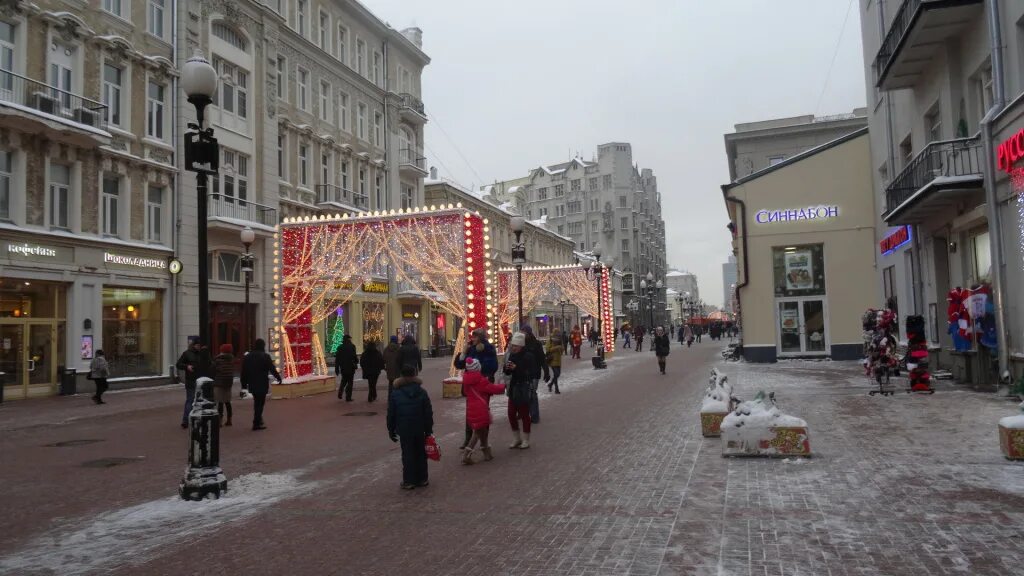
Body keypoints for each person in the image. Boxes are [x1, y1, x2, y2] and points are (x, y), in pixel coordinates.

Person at [387, 364, 434, 489]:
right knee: (420, 453)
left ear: (401, 375)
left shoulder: (395, 393)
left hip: (404, 428)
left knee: (407, 453)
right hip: (420, 428)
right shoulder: (422, 392)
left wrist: (391, 430)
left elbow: (391, 413)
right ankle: (422, 479)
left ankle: (409, 481)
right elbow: (428, 412)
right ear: (414, 375)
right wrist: (428, 430)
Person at [453, 328, 499, 450]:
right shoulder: (471, 348)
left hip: (483, 385)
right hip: (471, 386)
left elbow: (493, 366)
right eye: (472, 336)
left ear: (481, 338)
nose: (472, 339)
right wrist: (463, 353)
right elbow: (459, 365)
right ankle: (468, 439)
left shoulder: (488, 349)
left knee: (483, 413)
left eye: (475, 336)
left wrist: (476, 367)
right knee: (470, 413)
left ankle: (484, 441)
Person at [460, 357, 506, 465]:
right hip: (481, 408)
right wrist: (504, 385)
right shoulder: (481, 380)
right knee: (477, 433)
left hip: (471, 408)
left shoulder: (466, 380)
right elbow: (493, 388)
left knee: (483, 432)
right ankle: (466, 455)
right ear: (478, 368)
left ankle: (487, 454)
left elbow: (466, 393)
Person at [240, 338, 282, 431]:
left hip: (252, 382)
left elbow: (244, 372)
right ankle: (256, 422)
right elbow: (272, 368)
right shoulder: (265, 356)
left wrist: (243, 385)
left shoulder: (248, 357)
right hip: (262, 382)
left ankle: (258, 420)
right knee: (260, 403)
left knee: (256, 402)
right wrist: (278, 377)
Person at [503, 332, 535, 449]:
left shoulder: (528, 356)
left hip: (523, 387)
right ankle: (516, 438)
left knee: (524, 414)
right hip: (514, 387)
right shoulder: (512, 355)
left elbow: (530, 373)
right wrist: (507, 368)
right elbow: (508, 372)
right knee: (511, 413)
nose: (513, 347)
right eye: (512, 345)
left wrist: (517, 368)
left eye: (515, 346)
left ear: (521, 346)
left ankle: (526, 439)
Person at [176, 339, 209, 429]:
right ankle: (185, 421)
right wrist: (187, 366)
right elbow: (178, 364)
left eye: (200, 346)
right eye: (197, 345)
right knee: (190, 401)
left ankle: (198, 420)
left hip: (201, 381)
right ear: (193, 345)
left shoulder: (203, 354)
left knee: (200, 401)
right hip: (191, 381)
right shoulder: (187, 353)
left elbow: (209, 364)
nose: (198, 347)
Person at [521, 326, 549, 424]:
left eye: (524, 332)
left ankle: (534, 415)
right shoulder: (520, 343)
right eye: (522, 332)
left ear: (529, 333)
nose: (523, 334)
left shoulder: (536, 344)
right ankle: (523, 413)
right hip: (522, 372)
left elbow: (542, 358)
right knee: (523, 393)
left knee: (532, 393)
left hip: (534, 373)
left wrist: (546, 371)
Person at [212, 344, 235, 426]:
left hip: (219, 382)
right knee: (227, 402)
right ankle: (229, 420)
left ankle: (220, 420)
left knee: (220, 402)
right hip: (228, 382)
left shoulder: (218, 359)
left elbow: (214, 369)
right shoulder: (231, 359)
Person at [334, 335, 359, 402]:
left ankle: (340, 392)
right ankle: (348, 397)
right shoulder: (352, 346)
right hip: (351, 367)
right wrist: (356, 361)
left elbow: (337, 359)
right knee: (350, 382)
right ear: (349, 339)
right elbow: (354, 356)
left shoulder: (340, 347)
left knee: (344, 380)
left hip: (343, 367)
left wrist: (337, 368)